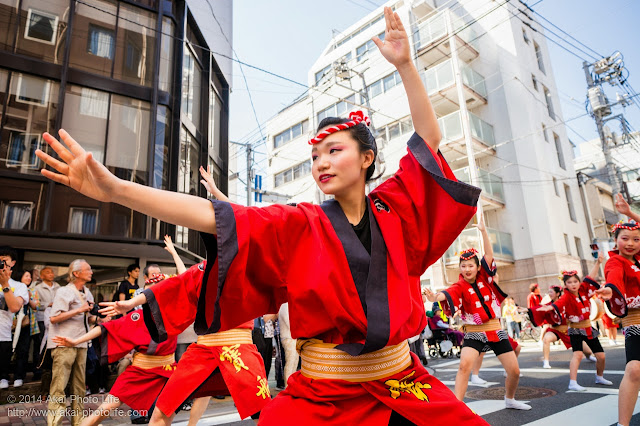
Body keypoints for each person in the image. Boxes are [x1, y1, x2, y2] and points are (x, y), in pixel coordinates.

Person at [38, 8, 486, 425]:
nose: (321, 163)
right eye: (314, 156)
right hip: (324, 393)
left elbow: (429, 139)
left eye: (334, 150)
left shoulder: (394, 207)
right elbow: (217, 217)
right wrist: (115, 189)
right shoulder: (301, 222)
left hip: (402, 381)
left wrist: (406, 66)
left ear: (368, 157)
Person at [425, 216, 531, 410]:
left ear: (477, 267)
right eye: (463, 266)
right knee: (464, 365)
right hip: (474, 332)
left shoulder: (485, 277)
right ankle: (457, 407)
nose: (467, 269)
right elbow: (448, 293)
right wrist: (434, 298)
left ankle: (510, 399)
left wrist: (483, 232)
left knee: (514, 371)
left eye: (470, 265)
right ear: (460, 268)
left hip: (495, 330)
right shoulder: (460, 285)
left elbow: (489, 255)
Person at [52, 275, 180, 426]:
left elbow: (186, 282)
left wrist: (173, 252)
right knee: (104, 409)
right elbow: (106, 328)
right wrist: (76, 341)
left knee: (163, 416)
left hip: (166, 371)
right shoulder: (137, 317)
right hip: (140, 371)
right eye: (146, 295)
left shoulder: (175, 313)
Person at [595, 193, 640, 426]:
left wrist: (629, 213)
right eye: (625, 238)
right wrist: (611, 290)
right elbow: (613, 279)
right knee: (634, 370)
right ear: (616, 240)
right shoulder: (616, 261)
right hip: (636, 322)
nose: (630, 243)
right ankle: (623, 424)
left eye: (636, 239)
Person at [537, 256, 612, 391]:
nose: (573, 284)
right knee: (577, 355)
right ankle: (573, 382)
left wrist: (598, 262)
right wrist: (549, 308)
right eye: (570, 282)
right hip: (575, 329)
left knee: (601, 356)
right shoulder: (566, 296)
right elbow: (559, 304)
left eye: (575, 281)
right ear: (565, 285)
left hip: (588, 327)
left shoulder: (583, 290)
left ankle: (599, 377)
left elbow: (591, 277)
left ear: (579, 282)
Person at [47, 259, 97, 426]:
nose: (91, 272)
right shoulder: (64, 292)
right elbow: (54, 318)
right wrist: (79, 309)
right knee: (59, 386)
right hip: (63, 344)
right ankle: (54, 422)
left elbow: (87, 318)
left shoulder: (87, 292)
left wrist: (99, 319)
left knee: (79, 387)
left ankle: (79, 422)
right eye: (88, 269)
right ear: (76, 273)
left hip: (81, 343)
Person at [529, 284, 596, 369]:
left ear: (557, 293)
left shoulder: (565, 302)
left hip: (569, 330)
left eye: (551, 292)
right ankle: (546, 361)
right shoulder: (548, 304)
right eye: (548, 292)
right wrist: (528, 310)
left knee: (587, 351)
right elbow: (537, 308)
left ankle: (588, 356)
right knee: (546, 339)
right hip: (555, 330)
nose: (549, 294)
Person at [0, 247, 30, 389]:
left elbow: (14, 307)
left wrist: (5, 284)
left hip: (3, 334)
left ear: (12, 263)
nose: (1, 263)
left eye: (4, 260)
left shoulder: (19, 286)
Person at [12, 269, 40, 387]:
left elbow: (36, 307)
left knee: (23, 351)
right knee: (7, 350)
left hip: (27, 324)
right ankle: (4, 375)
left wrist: (28, 297)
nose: (29, 278)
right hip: (10, 324)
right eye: (26, 276)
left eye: (30, 276)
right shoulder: (12, 289)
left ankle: (19, 376)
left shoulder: (32, 291)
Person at [34, 266, 61, 385]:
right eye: (47, 272)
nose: (51, 274)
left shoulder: (59, 287)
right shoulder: (37, 288)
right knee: (41, 344)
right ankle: (38, 371)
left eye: (52, 272)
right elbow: (36, 305)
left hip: (57, 319)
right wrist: (48, 305)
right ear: (42, 276)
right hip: (41, 319)